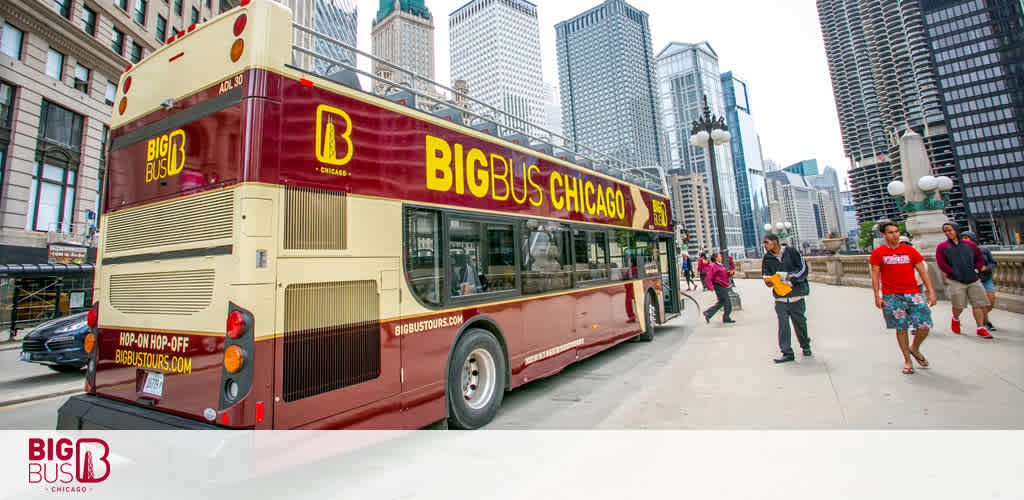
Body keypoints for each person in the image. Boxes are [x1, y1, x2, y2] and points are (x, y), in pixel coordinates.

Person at [870, 221, 937, 375]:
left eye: (896, 232)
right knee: (901, 328)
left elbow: (923, 271)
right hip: (892, 295)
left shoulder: (910, 251)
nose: (895, 235)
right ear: (883, 235)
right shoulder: (878, 253)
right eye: (891, 232)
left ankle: (914, 348)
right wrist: (876, 296)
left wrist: (931, 291)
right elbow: (875, 275)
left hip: (913, 292)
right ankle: (907, 360)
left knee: (925, 324)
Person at [935, 222, 991, 338]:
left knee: (978, 304)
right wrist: (953, 272)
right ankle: (955, 318)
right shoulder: (942, 247)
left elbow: (979, 259)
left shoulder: (969, 245)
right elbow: (941, 263)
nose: (948, 233)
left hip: (973, 278)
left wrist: (976, 269)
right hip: (956, 280)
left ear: (956, 230)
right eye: (945, 231)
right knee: (959, 304)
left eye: (949, 230)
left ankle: (980, 327)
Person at [761, 234, 811, 363]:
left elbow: (803, 270)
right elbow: (765, 275)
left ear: (775, 242)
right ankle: (787, 352)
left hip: (796, 296)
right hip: (780, 298)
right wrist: (769, 281)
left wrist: (790, 277)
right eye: (764, 243)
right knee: (783, 325)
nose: (765, 245)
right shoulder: (767, 258)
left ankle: (805, 345)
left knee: (800, 323)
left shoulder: (791, 252)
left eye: (767, 242)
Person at [960, 231, 998, 331]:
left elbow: (993, 263)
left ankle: (983, 317)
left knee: (990, 301)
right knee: (979, 303)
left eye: (966, 238)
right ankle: (985, 322)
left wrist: (986, 268)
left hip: (986, 278)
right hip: (973, 280)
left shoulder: (984, 250)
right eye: (963, 238)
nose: (964, 240)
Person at [702, 252, 735, 324]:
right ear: (716, 258)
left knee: (721, 302)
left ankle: (708, 313)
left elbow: (723, 274)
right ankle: (726, 317)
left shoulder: (720, 265)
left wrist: (729, 273)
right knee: (727, 301)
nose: (721, 257)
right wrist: (710, 287)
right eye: (720, 256)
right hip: (719, 286)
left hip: (723, 285)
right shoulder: (713, 266)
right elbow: (708, 277)